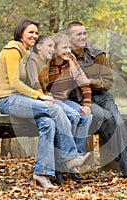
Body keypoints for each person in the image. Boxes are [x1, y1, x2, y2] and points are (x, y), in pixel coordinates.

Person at [0, 19, 90, 189]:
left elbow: (33, 81)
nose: (34, 35)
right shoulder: (13, 50)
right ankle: (70, 156)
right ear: (20, 32)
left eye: (36, 33)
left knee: (48, 124)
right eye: (30, 32)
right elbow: (14, 83)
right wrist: (39, 96)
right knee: (54, 109)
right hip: (7, 99)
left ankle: (42, 173)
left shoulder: (26, 54)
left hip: (22, 100)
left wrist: (43, 94)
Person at [66, 21, 127, 180]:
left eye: (84, 33)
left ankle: (123, 155)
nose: (83, 37)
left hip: (102, 96)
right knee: (106, 118)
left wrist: (90, 82)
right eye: (78, 34)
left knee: (119, 122)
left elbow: (108, 82)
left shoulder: (97, 54)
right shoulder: (64, 55)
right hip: (81, 100)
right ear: (69, 37)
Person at [28, 34, 92, 184]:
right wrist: (45, 99)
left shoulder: (71, 61)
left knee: (86, 117)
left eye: (69, 47)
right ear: (54, 50)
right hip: (51, 98)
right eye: (64, 48)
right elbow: (39, 86)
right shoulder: (47, 64)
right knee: (73, 116)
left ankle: (75, 161)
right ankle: (61, 164)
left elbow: (84, 83)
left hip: (66, 100)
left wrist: (87, 105)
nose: (68, 50)